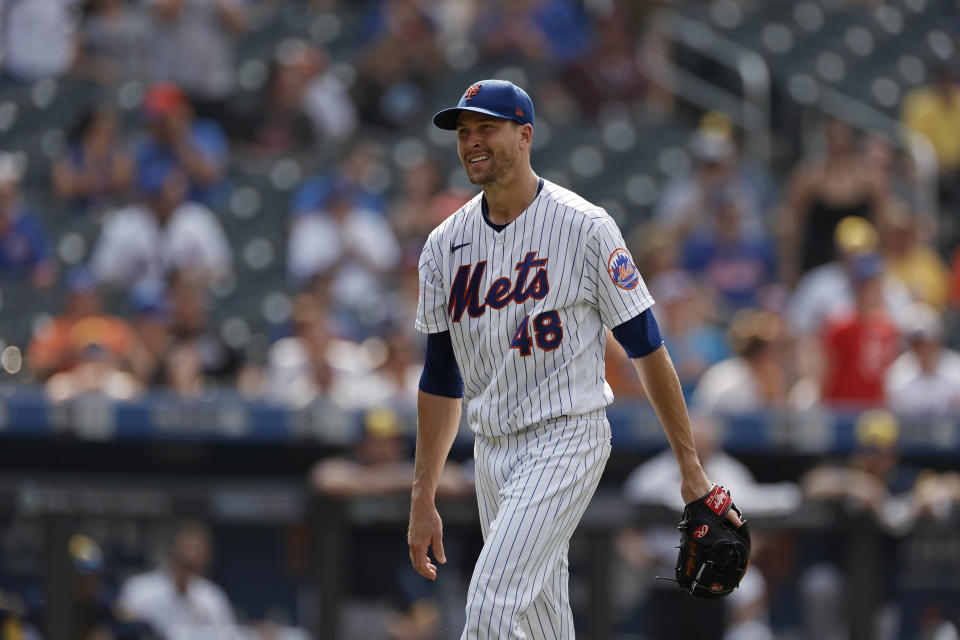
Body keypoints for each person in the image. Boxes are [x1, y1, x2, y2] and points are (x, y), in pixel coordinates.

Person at [407, 79, 742, 639]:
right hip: (492, 451)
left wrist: (690, 469)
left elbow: (648, 349)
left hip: (566, 437)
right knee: (542, 626)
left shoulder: (584, 226)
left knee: (490, 606)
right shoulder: (444, 246)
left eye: (486, 127)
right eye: (464, 132)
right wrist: (423, 495)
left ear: (525, 134)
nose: (472, 141)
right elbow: (440, 380)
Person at [118, 521, 237, 639]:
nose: (191, 556)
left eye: (197, 551)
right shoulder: (139, 589)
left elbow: (229, 635)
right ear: (172, 551)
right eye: (185, 549)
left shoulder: (213, 597)